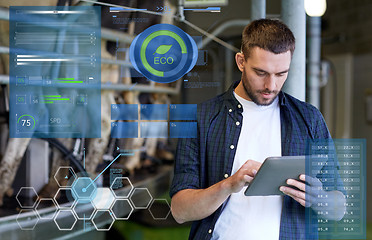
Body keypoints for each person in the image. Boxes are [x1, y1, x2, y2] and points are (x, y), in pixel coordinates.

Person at [169, 19, 345, 240]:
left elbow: (339, 208)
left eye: (281, 74)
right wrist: (228, 185)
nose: (271, 85)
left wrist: (317, 197)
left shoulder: (309, 119)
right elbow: (179, 211)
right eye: (261, 73)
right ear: (241, 61)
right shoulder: (200, 118)